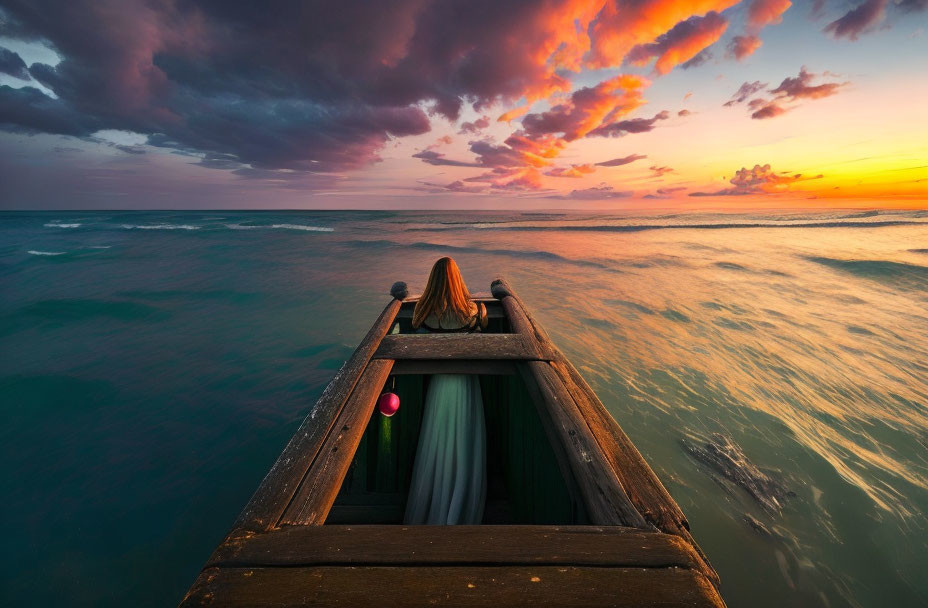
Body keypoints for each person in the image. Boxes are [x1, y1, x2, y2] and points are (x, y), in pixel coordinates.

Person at [403, 257, 488, 525]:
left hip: (439, 385)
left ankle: (435, 504)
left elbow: (415, 325)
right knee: (464, 439)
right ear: (458, 280)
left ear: (433, 281)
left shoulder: (424, 314)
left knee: (437, 440)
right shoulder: (473, 313)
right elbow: (482, 323)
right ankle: (460, 506)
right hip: (465, 382)